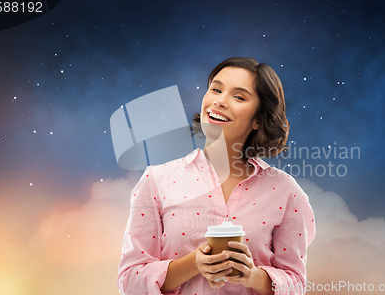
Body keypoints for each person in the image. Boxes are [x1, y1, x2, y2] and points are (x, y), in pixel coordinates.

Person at [117, 57, 315, 295]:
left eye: (239, 96)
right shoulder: (157, 181)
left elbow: (295, 282)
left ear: (258, 119)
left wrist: (254, 277)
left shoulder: (285, 191)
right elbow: (130, 281)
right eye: (216, 89)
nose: (220, 101)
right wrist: (193, 264)